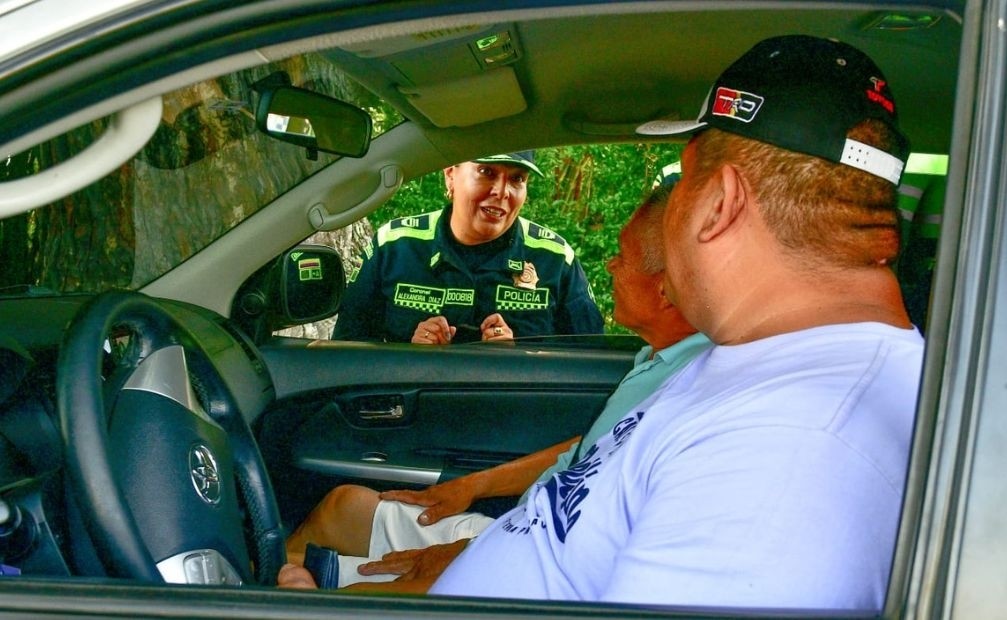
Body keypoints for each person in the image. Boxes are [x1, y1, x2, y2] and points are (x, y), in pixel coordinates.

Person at [420, 34, 923, 610]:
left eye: (681, 181)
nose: (670, 208)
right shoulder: (756, 358)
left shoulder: (791, 452)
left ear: (721, 202)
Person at [279, 185, 712, 590]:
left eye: (623, 257)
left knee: (307, 589)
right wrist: (471, 486)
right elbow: (588, 451)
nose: (611, 265)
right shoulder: (656, 360)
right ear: (451, 179)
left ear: (665, 291)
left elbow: (598, 542)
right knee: (342, 508)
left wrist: (468, 555)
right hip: (523, 528)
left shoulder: (692, 385)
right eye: (486, 172)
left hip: (540, 562)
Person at [332, 151, 603, 344]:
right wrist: (408, 355)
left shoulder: (554, 258)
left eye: (517, 179)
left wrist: (521, 358)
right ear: (451, 176)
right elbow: (347, 352)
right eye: (487, 172)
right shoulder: (395, 245)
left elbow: (588, 363)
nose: (502, 191)